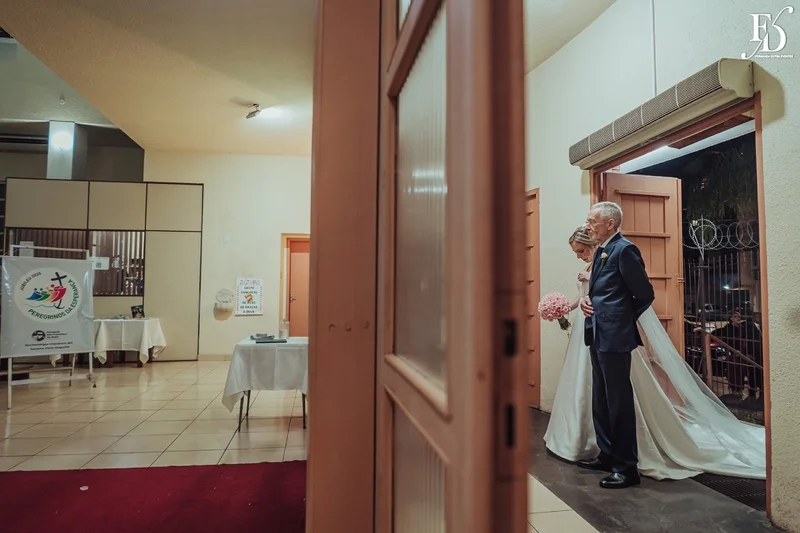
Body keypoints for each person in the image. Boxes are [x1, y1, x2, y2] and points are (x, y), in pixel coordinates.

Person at [544, 213, 766, 486]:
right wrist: (589, 305)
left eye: (593, 221)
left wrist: (619, 319)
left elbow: (645, 294)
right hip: (596, 335)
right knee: (601, 400)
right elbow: (600, 293)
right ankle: (607, 453)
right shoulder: (602, 250)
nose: (588, 225)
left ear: (610, 223)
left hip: (615, 336)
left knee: (619, 403)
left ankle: (625, 467)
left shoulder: (624, 250)